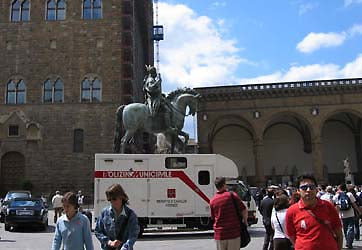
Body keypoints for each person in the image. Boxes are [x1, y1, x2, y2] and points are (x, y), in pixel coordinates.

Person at [285, 173, 343, 250]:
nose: (308, 190)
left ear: (316, 189)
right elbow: (291, 236)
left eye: (311, 187)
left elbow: (338, 233)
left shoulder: (328, 206)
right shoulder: (291, 211)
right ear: (298, 191)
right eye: (304, 187)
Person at [95, 184, 139, 250]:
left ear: (121, 197)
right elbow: (98, 231)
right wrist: (109, 242)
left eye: (114, 199)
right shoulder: (104, 213)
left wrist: (126, 246)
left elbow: (133, 235)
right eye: (110, 199)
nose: (112, 202)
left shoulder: (131, 215)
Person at [210, 177, 248, 250]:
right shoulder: (231, 195)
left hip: (219, 235)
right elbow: (244, 209)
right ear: (224, 185)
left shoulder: (212, 201)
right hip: (233, 233)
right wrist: (245, 221)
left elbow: (213, 218)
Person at [333, 183, 361, 248]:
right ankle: (349, 242)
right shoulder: (349, 194)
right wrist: (359, 211)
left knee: (345, 229)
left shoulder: (336, 196)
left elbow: (337, 206)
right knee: (351, 228)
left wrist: (336, 215)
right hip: (351, 214)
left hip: (342, 215)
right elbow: (354, 204)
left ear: (339, 189)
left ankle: (348, 240)